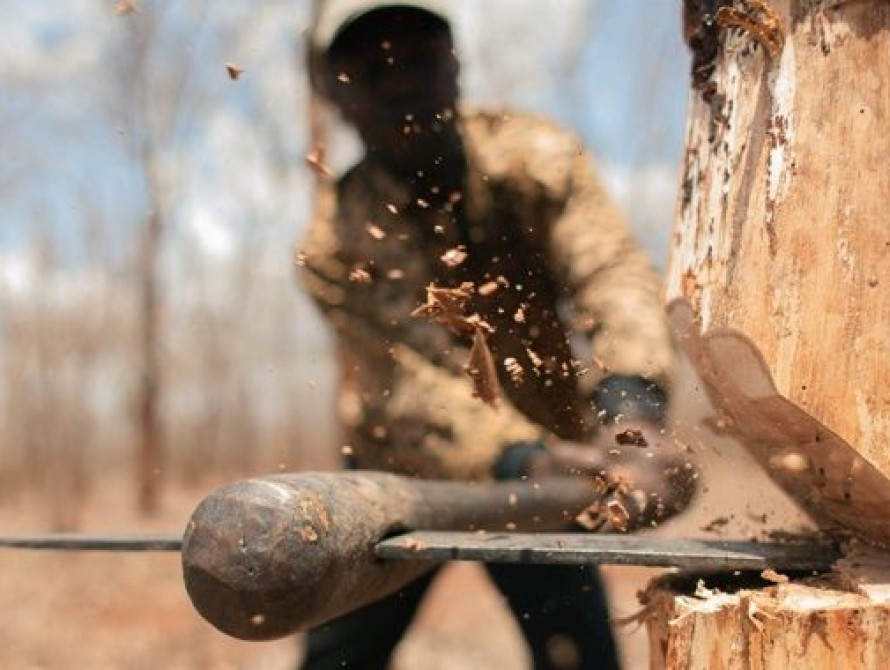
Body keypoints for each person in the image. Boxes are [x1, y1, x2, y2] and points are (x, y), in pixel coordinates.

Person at [298, 2, 696, 667]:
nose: (400, 82)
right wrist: (527, 460)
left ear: (454, 66)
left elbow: (610, 274)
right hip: (398, 473)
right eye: (373, 70)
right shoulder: (333, 241)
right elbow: (410, 383)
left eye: (418, 59)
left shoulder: (535, 159)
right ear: (338, 96)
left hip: (552, 466)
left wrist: (632, 414)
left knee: (577, 657)